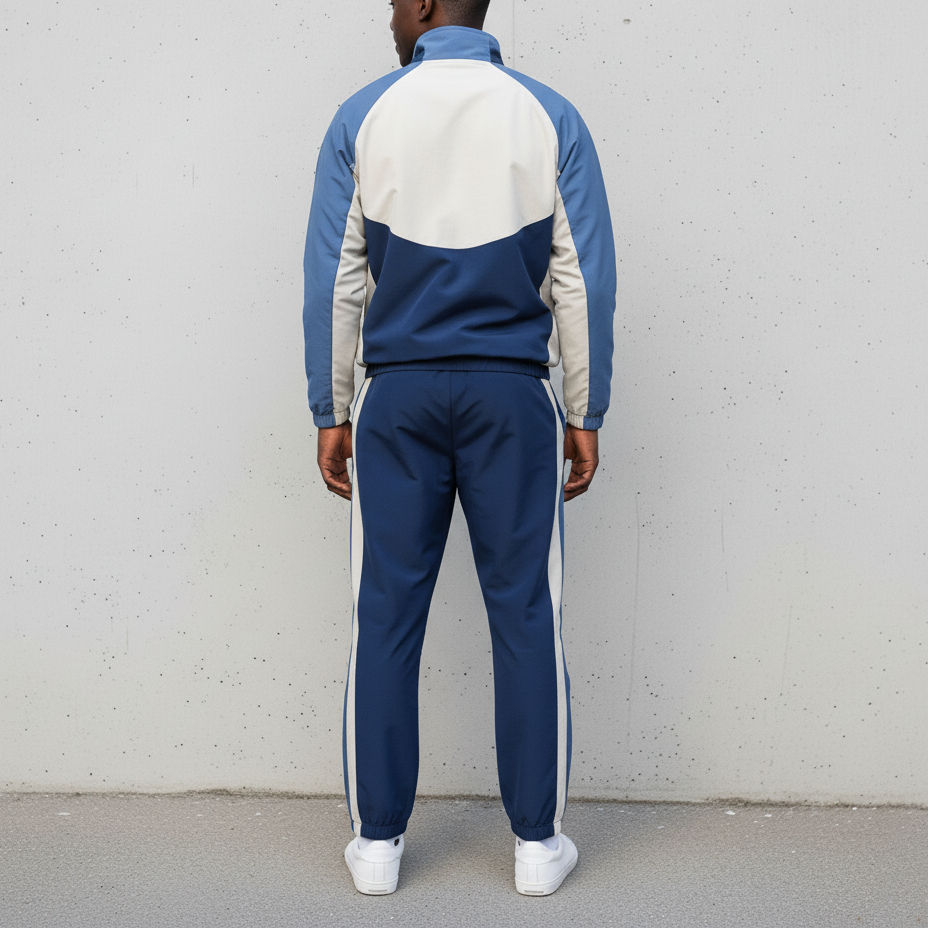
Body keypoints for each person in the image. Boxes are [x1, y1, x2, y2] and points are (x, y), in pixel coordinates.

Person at [302, 0, 616, 897]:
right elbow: (582, 277)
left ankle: (377, 846)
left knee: (385, 613)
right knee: (526, 612)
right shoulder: (549, 113)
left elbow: (336, 277)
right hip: (512, 396)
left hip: (397, 395)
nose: (389, 15)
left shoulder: (362, 113)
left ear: (427, 5)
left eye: (395, 3)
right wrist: (585, 410)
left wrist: (331, 407)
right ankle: (537, 847)